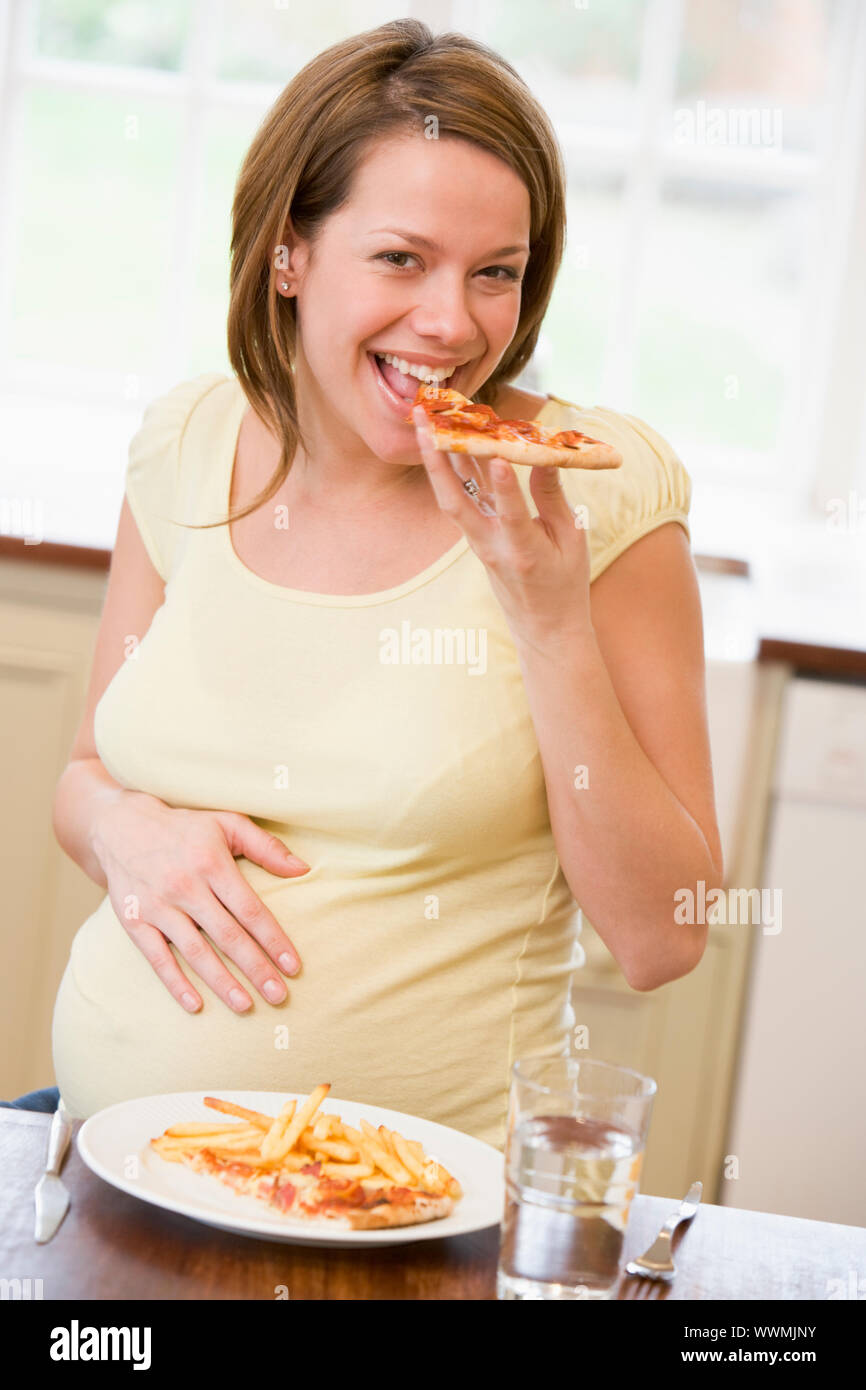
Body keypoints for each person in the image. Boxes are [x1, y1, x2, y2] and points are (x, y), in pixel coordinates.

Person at [47, 19, 723, 1150]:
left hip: (422, 1214)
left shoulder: (592, 503)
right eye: (401, 258)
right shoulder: (185, 445)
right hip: (117, 1169)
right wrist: (123, 829)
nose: (451, 324)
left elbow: (663, 938)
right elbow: (82, 774)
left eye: (495, 273)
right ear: (288, 253)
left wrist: (545, 615)